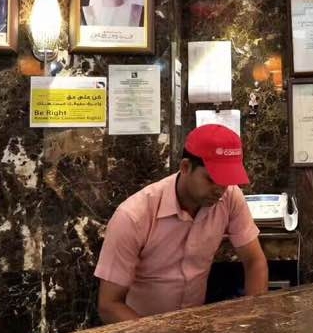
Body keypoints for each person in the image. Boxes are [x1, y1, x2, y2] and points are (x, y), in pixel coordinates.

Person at [94, 124, 269, 322]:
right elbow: (109, 305)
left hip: (195, 327)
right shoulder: (133, 216)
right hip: (140, 330)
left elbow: (255, 262)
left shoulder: (230, 197)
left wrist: (254, 320)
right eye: (212, 179)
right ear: (185, 167)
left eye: (226, 180)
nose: (220, 190)